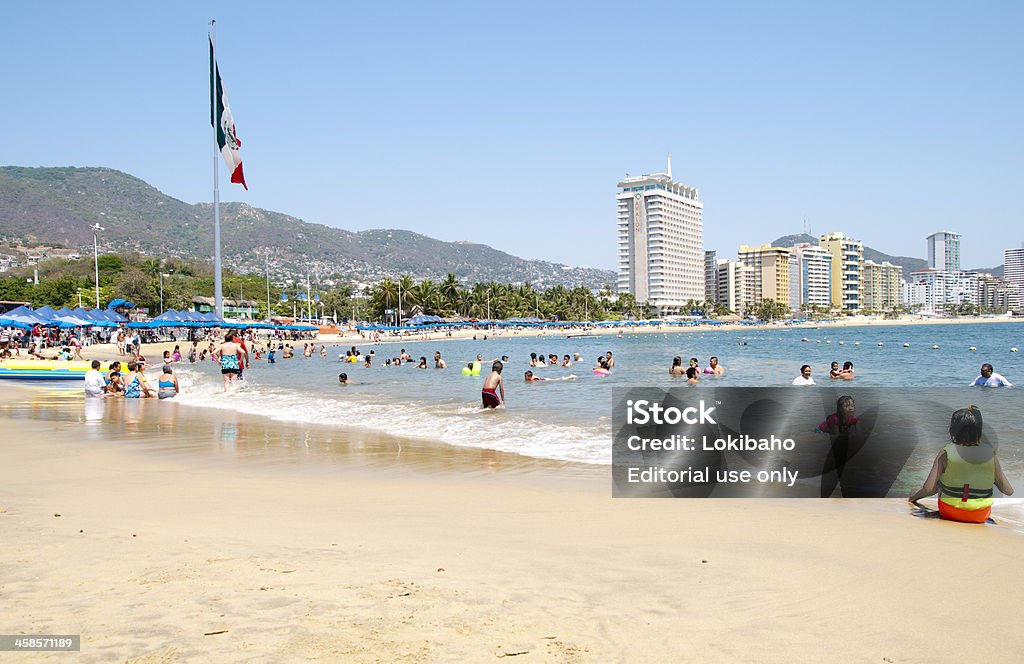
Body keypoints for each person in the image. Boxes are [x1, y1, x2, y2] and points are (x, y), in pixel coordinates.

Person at [908, 406, 1014, 523]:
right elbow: (1008, 491)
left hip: (949, 512)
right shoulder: (990, 454)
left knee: (940, 482)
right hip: (980, 515)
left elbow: (928, 488)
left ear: (952, 430)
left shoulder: (946, 452)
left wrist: (912, 499)